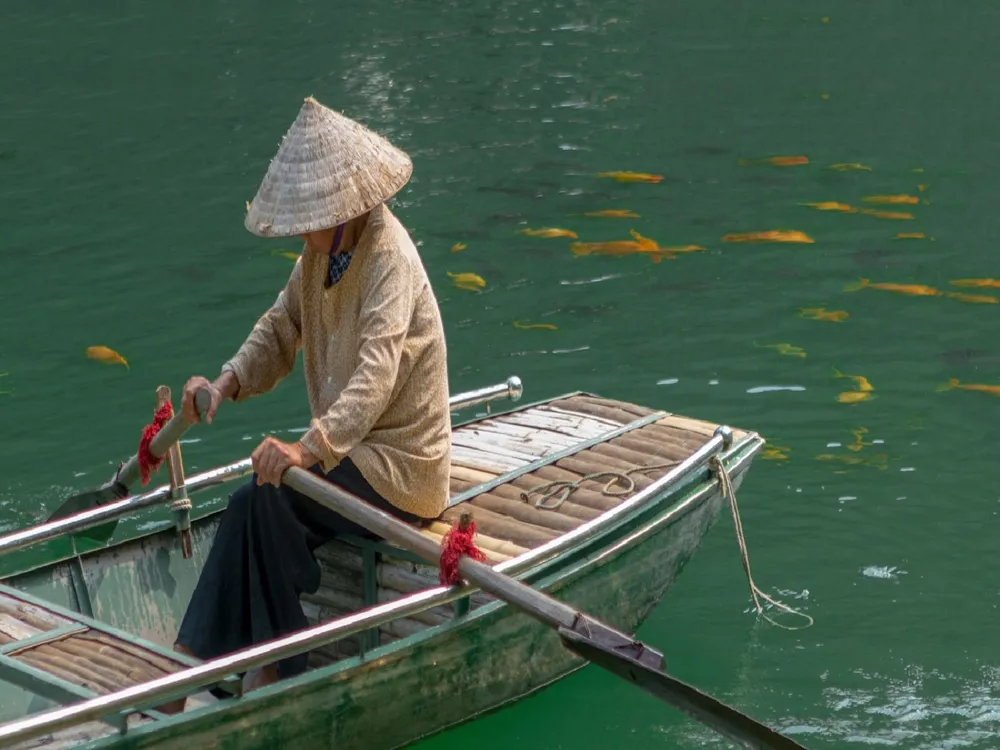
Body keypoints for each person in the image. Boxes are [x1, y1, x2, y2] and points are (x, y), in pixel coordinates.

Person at [170, 96, 452, 697]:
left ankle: (272, 663)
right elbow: (279, 329)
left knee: (271, 498)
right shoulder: (320, 254)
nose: (299, 228)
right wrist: (223, 384)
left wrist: (308, 448)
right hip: (353, 452)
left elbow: (376, 373)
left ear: (341, 209)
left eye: (307, 216)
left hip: (400, 464)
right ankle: (199, 656)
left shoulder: (388, 257)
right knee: (249, 503)